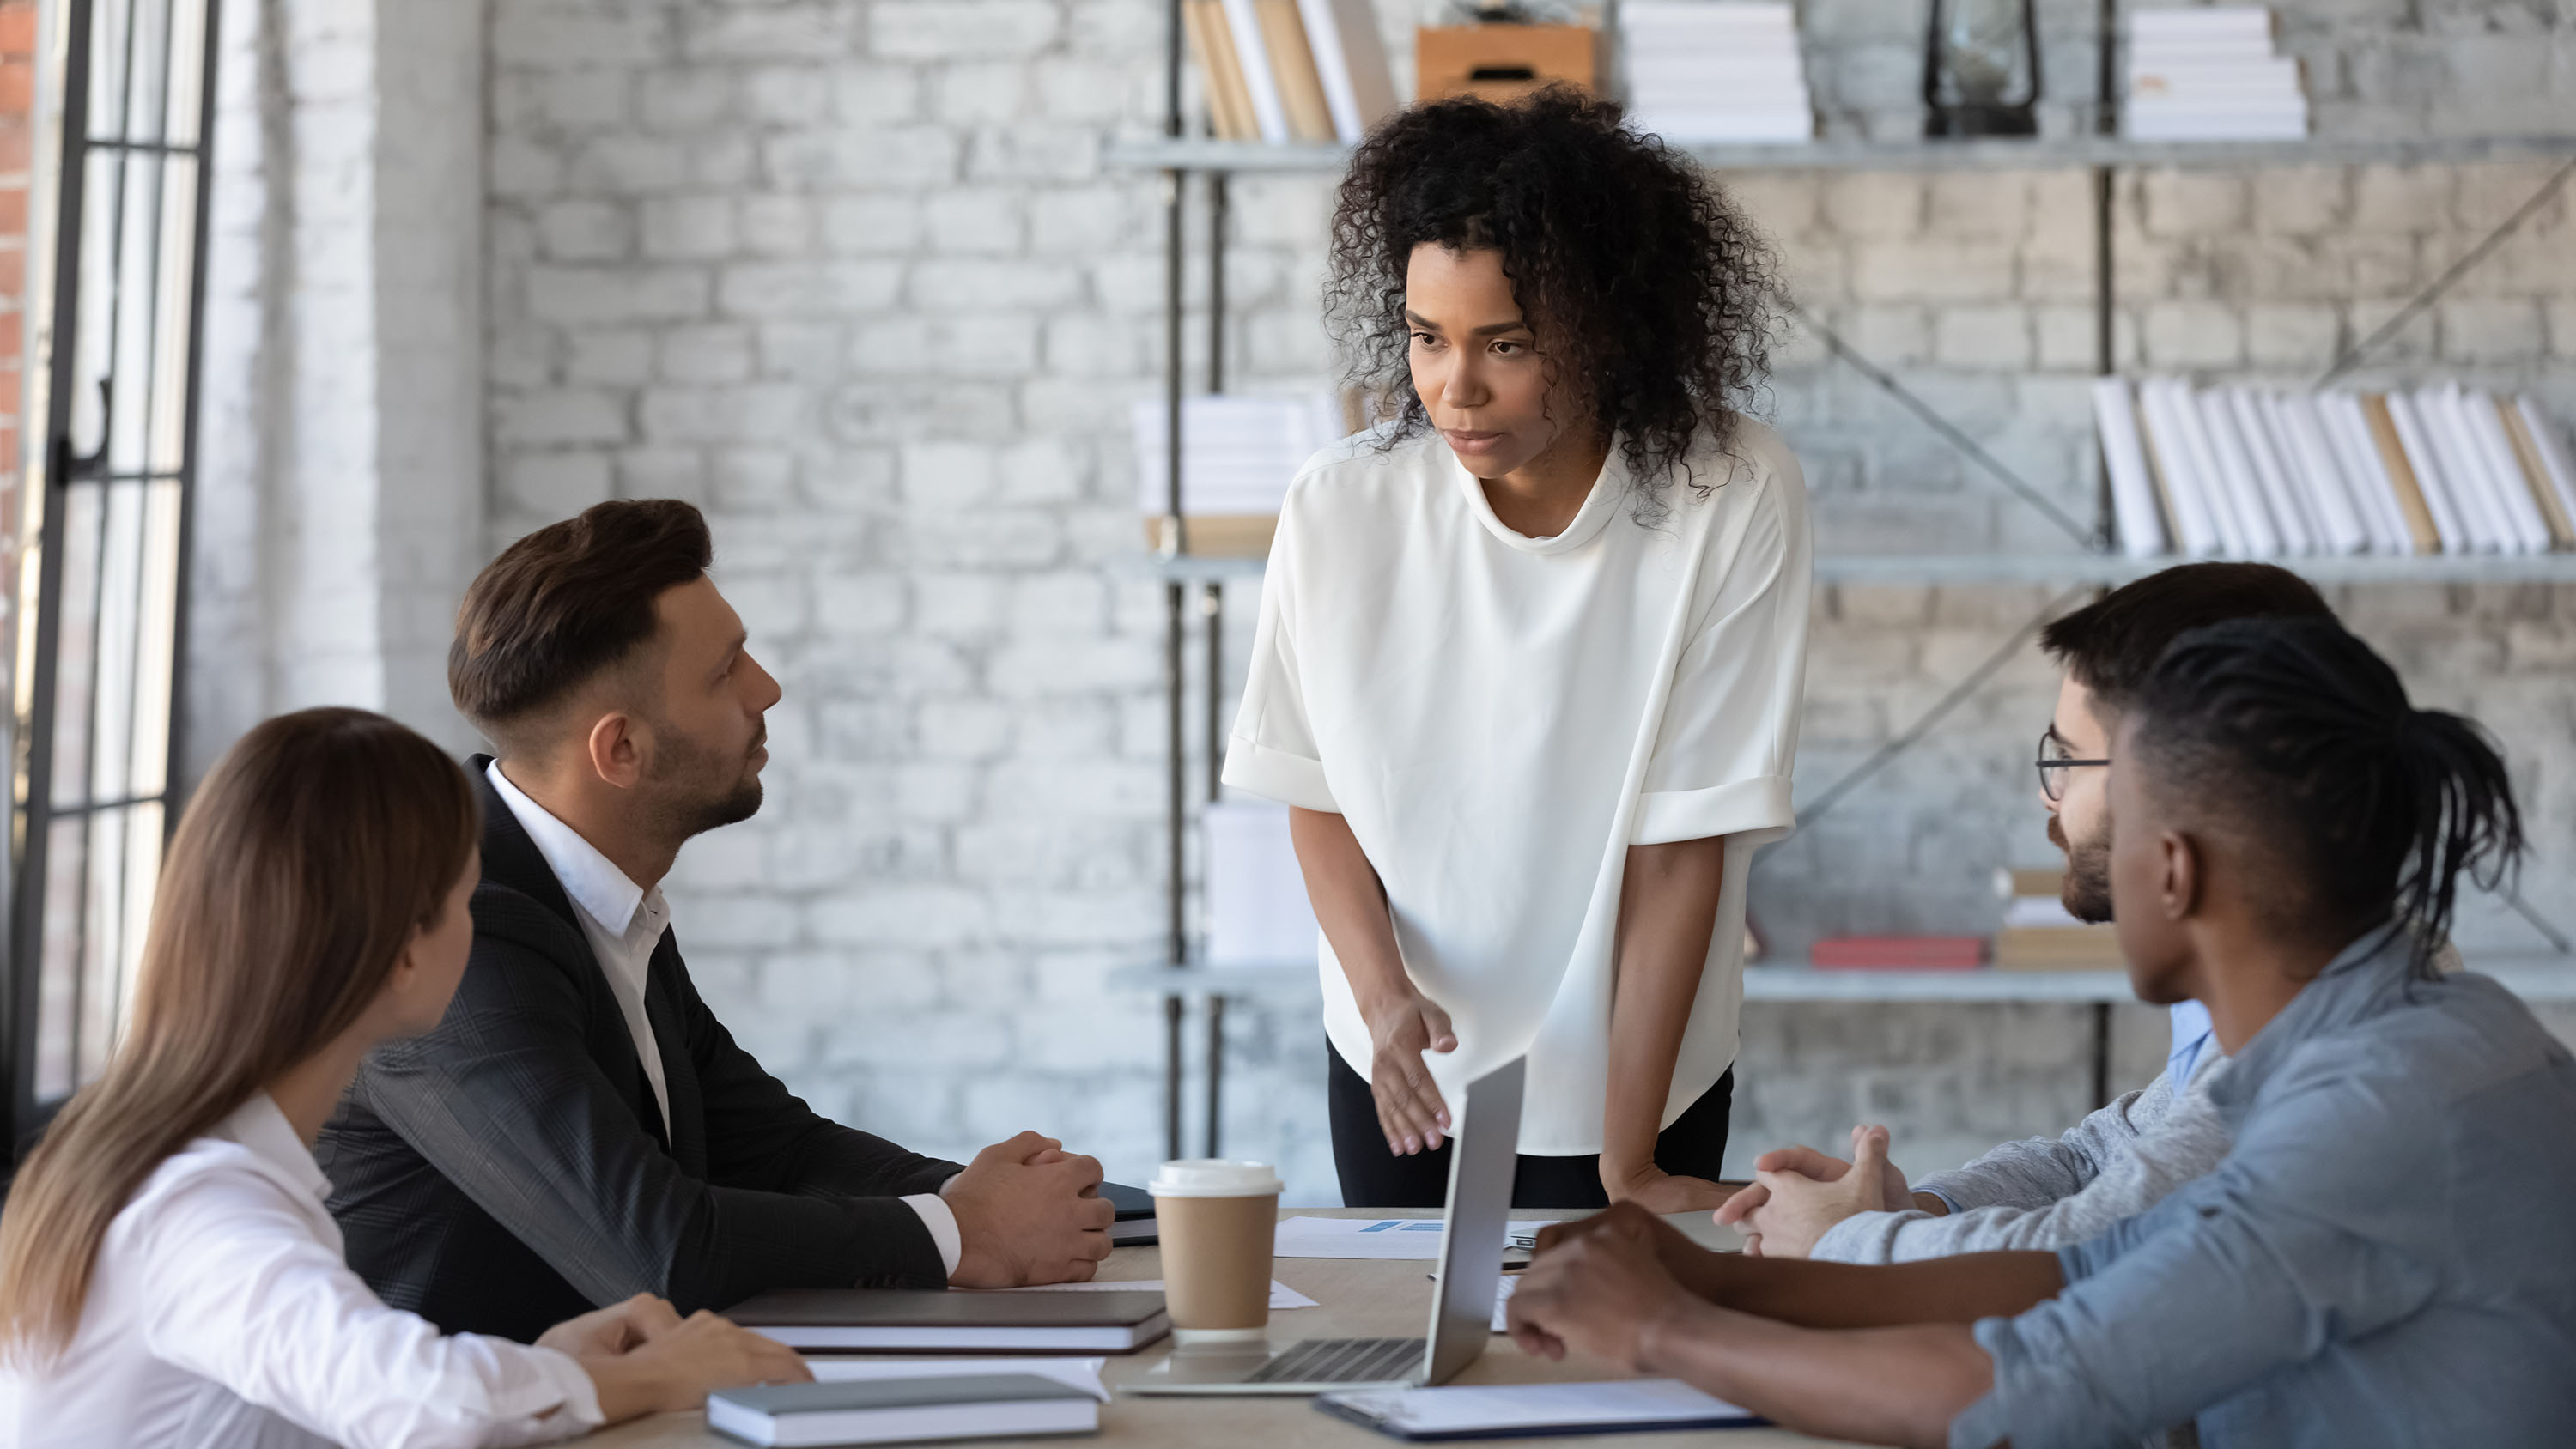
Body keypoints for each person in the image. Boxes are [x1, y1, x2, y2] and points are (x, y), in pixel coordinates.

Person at [1505, 616, 2576, 1448]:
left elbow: (2021, 1388)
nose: (2064, 821)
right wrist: (1705, 1276)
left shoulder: (2369, 1118)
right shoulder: (2429, 1032)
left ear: (2173, 868)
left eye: (2103, 801)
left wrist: (1660, 1330)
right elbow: (2094, 1267)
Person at [317, 500, 1111, 1344]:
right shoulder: (458, 931)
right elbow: (657, 1251)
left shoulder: (601, 890)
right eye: (725, 669)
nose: (767, 687)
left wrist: (1019, 1201)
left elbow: (775, 1149)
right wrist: (967, 1231)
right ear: (620, 750)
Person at [1224, 89, 1809, 1210]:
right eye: (1427, 338)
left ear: (1606, 325)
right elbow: (1316, 793)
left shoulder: (1727, 494)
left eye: (1509, 345)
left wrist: (1625, 1160)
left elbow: (1684, 847)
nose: (1456, 388)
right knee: (1417, 1369)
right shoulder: (1341, 508)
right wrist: (1384, 998)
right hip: (1404, 1059)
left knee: (1612, 1374)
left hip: (1640, 1073)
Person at [0, 708, 806, 1448]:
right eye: (467, 897)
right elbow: (422, 1404)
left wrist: (552, 1363)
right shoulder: (203, 1207)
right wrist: (656, 1375)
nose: (481, 919)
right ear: (404, 952)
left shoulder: (169, 1163)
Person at [1722, 561, 2348, 1261]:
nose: (2047, 799)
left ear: (2181, 784)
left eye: (2070, 760)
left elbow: (2091, 1247)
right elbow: (2099, 1158)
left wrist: (1845, 1239)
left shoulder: (2306, 1032)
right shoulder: (2275, 968)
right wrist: (1911, 1207)